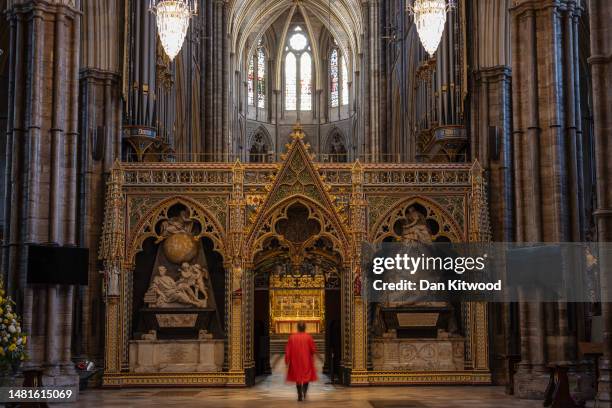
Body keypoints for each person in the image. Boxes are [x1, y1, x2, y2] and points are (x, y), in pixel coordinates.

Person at [285, 321, 317, 401]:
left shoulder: (292, 337)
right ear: (305, 328)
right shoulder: (308, 337)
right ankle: (304, 392)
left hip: (295, 361)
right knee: (306, 376)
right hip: (306, 361)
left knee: (298, 377)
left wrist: (287, 360)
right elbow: (313, 350)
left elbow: (288, 350)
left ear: (298, 328)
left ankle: (299, 394)